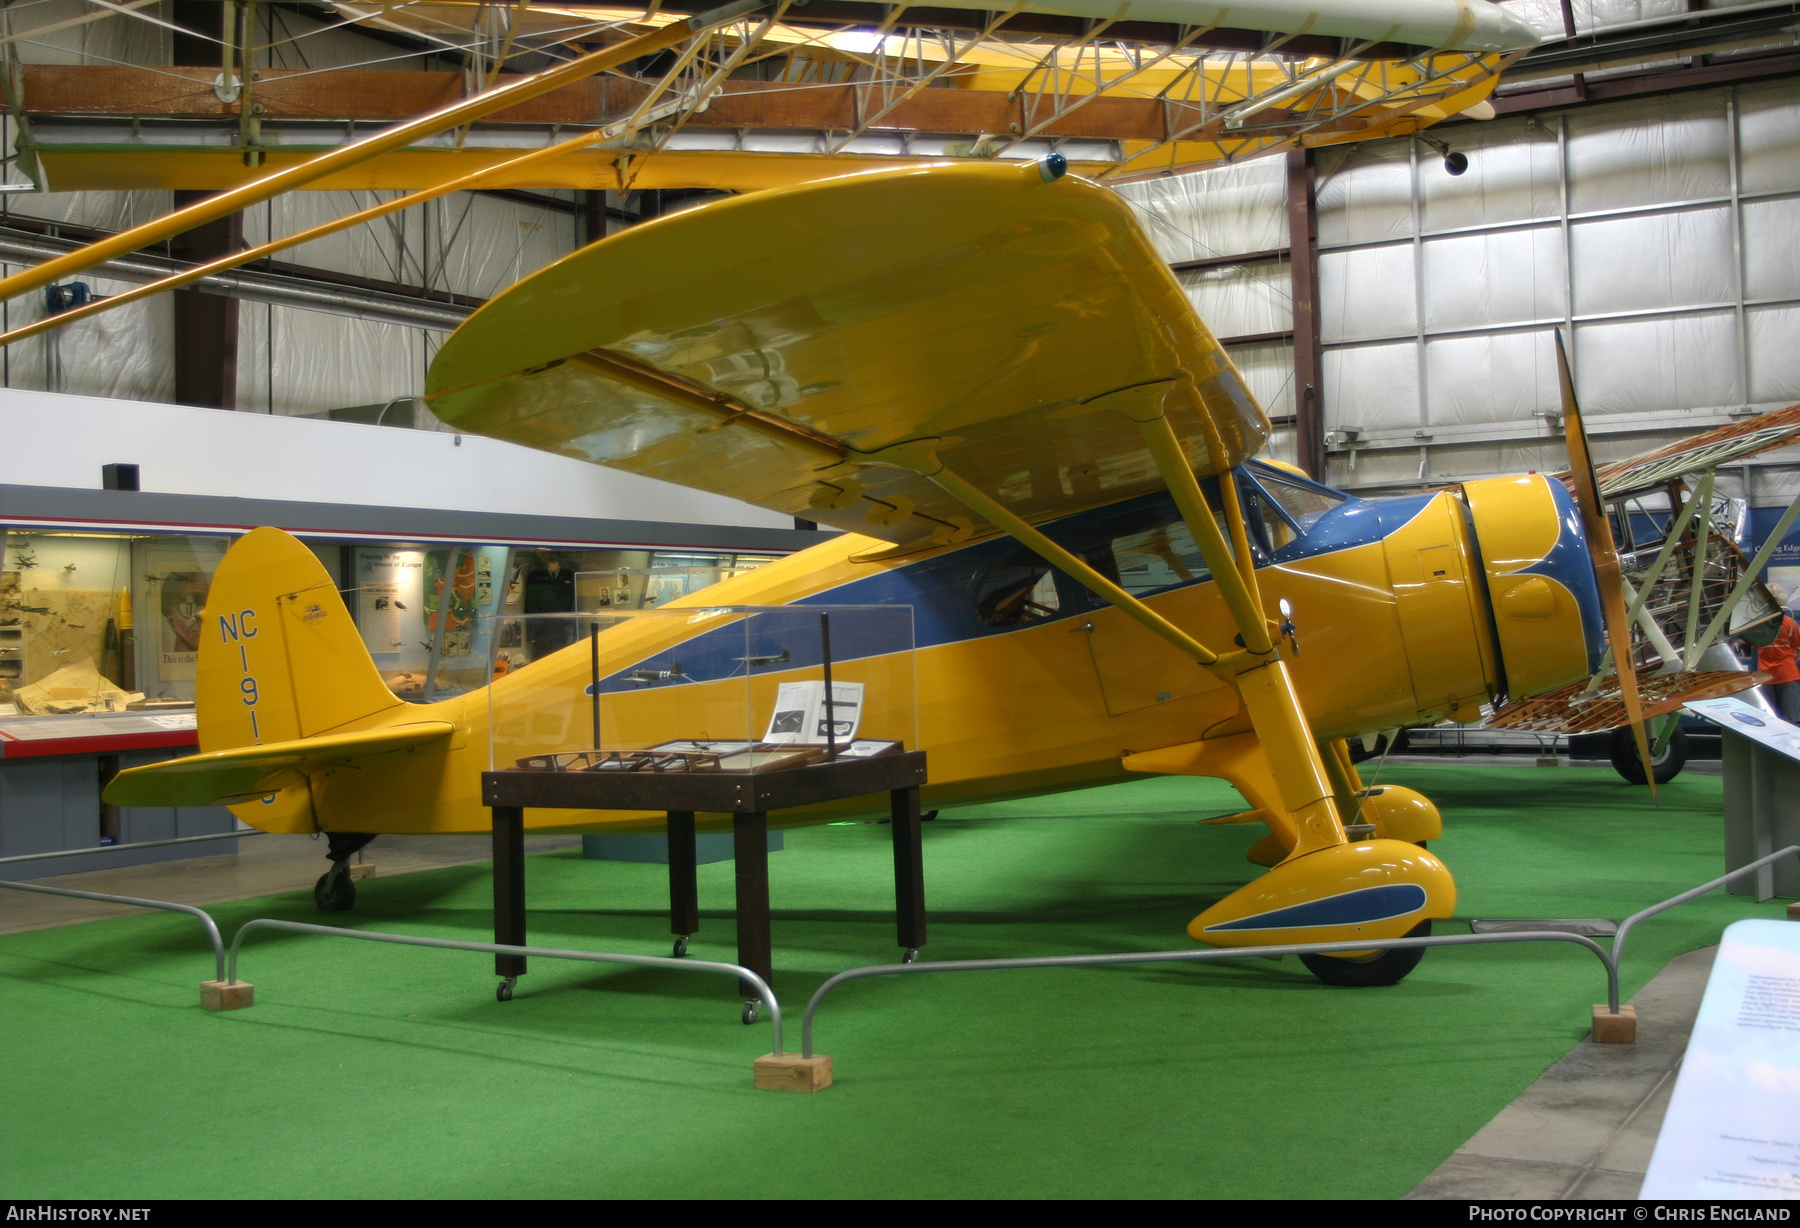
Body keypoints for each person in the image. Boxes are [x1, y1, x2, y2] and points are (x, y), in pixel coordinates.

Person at [1755, 582, 1800, 722]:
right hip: (1788, 675)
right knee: (1792, 721)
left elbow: (1756, 647)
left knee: (1769, 720)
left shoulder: (1757, 626)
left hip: (1764, 675)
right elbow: (1795, 647)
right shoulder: (1790, 623)